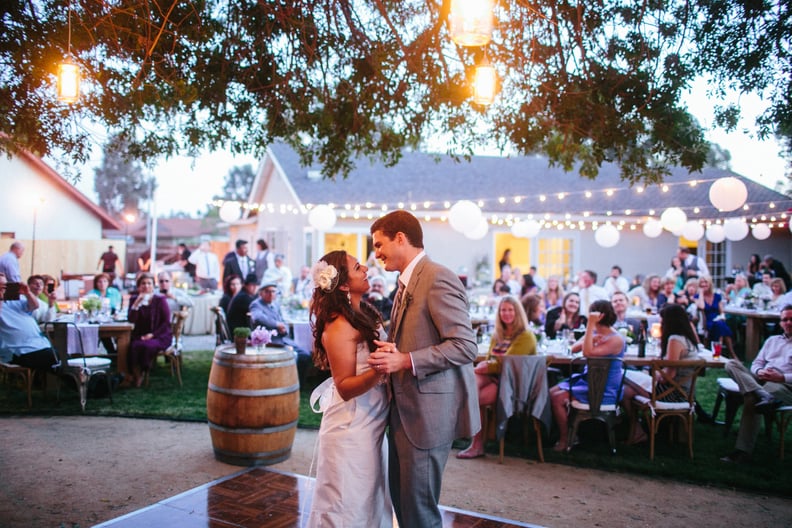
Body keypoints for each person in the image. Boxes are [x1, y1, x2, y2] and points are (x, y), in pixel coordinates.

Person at [366, 210, 479, 528]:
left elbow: (465, 346)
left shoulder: (437, 277)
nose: (376, 254)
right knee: (402, 504)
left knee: (419, 512)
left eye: (379, 244)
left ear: (400, 238)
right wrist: (393, 350)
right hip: (403, 412)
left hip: (427, 415)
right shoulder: (405, 282)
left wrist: (405, 360)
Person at [306, 250, 392, 526]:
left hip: (371, 423)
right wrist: (380, 370)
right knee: (347, 503)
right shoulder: (339, 326)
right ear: (343, 284)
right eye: (357, 267)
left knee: (370, 500)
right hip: (350, 428)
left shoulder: (362, 313)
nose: (366, 268)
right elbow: (344, 387)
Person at [457, 296, 537, 459]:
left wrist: (487, 367)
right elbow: (491, 361)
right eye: (503, 310)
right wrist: (487, 366)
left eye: (510, 309)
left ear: (518, 312)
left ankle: (474, 442)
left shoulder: (526, 336)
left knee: (473, 391)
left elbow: (507, 364)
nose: (506, 313)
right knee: (473, 383)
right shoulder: (497, 335)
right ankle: (477, 443)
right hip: (494, 379)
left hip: (513, 384)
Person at [548, 299, 625, 451]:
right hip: (588, 381)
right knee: (551, 392)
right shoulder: (595, 332)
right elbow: (574, 348)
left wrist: (589, 327)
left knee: (557, 398)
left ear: (599, 316)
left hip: (603, 388)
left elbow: (588, 352)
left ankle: (566, 439)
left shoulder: (616, 339)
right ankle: (566, 433)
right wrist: (591, 337)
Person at [720, 305, 792, 463]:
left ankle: (742, 451)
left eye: (791, 319)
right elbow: (757, 362)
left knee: (751, 399)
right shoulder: (773, 340)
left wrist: (782, 377)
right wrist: (759, 371)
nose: (788, 323)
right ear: (780, 323)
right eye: (784, 320)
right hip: (762, 378)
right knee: (731, 364)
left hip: (784, 386)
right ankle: (762, 394)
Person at [622, 303, 700, 445]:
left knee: (624, 377)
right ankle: (638, 431)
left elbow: (668, 376)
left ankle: (637, 430)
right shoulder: (688, 338)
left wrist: (655, 373)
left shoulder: (674, 339)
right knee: (627, 391)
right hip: (685, 392)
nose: (660, 322)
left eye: (662, 320)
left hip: (673, 394)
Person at [249, 281, 311, 384]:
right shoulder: (256, 304)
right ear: (261, 293)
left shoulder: (275, 304)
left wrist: (284, 328)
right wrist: (276, 324)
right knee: (296, 355)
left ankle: (298, 383)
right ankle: (290, 383)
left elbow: (283, 320)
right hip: (269, 341)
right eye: (267, 291)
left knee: (305, 354)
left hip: (282, 338)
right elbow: (258, 317)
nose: (271, 294)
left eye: (273, 292)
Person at [0, 273, 56, 373]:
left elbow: (34, 306)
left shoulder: (14, 298)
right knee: (58, 361)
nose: (3, 288)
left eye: (5, 285)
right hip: (19, 350)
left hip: (38, 344)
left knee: (65, 358)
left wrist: (27, 292)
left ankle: (81, 383)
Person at [126, 272, 172, 388]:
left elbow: (166, 322)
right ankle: (133, 374)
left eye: (149, 283)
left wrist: (152, 335)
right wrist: (137, 304)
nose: (146, 286)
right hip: (140, 334)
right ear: (138, 286)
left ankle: (143, 372)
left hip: (160, 334)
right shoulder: (134, 299)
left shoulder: (160, 300)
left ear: (153, 285)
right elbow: (131, 319)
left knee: (147, 346)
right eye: (143, 283)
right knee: (132, 345)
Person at [695, 275, 735, 358]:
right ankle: (731, 354)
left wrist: (722, 316)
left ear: (710, 284)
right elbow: (702, 306)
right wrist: (701, 293)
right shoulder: (697, 297)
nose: (703, 284)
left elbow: (721, 311)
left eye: (705, 282)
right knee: (721, 326)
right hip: (706, 322)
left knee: (720, 325)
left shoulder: (717, 296)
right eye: (701, 283)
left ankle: (718, 353)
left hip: (717, 319)